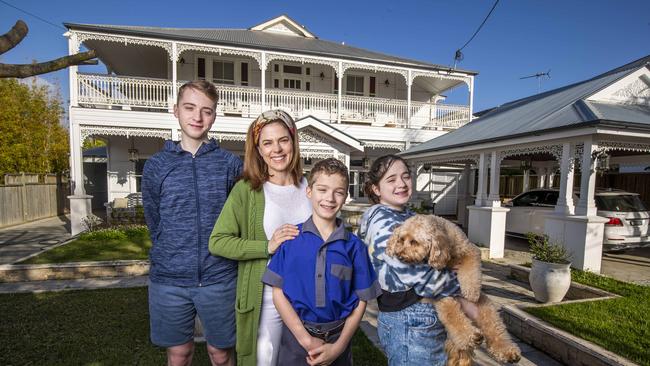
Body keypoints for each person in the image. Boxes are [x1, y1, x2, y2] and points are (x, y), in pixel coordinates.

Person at [142, 80, 242, 366]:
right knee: (179, 354)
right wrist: (170, 251)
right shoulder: (156, 165)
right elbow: (153, 218)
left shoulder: (229, 164)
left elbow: (240, 216)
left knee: (221, 354)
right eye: (190, 108)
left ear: (214, 116)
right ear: (175, 110)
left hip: (220, 276)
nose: (198, 117)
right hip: (169, 279)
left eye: (206, 111)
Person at [209, 109, 311, 366]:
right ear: (258, 149)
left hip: (307, 296)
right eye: (267, 142)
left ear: (293, 141)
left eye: (283, 140)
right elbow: (218, 241)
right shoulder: (248, 190)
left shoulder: (309, 187)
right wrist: (268, 246)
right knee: (264, 361)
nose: (276, 149)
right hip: (265, 296)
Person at [357, 154, 478, 366]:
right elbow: (408, 271)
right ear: (376, 189)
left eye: (405, 176)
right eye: (391, 179)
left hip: (422, 316)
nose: (401, 184)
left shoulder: (407, 215)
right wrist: (455, 278)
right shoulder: (381, 219)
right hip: (409, 319)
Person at [262, 158, 382, 366]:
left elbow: (361, 301)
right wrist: (305, 339)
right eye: (322, 189)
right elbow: (278, 292)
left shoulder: (355, 247)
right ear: (309, 192)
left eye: (338, 192)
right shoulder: (290, 239)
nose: (330, 198)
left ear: (345, 196)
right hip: (295, 337)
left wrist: (339, 347)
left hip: (338, 339)